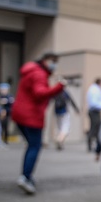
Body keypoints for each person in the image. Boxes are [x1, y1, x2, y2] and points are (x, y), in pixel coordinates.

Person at [11, 51, 66, 194]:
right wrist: (59, 87)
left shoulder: (32, 70)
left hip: (20, 113)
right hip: (31, 116)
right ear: (46, 60)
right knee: (35, 146)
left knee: (31, 146)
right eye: (53, 61)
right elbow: (39, 93)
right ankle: (25, 177)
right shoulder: (39, 74)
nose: (54, 65)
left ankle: (26, 175)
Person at [86, 78, 101, 152]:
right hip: (94, 111)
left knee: (96, 128)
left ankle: (96, 145)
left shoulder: (93, 88)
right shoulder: (95, 90)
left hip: (94, 111)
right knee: (94, 129)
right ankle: (92, 145)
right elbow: (94, 103)